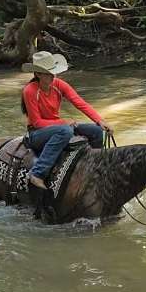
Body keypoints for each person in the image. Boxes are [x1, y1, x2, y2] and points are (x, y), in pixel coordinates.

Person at [21, 51, 113, 190]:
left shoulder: (59, 85)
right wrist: (63, 123)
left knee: (96, 131)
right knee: (65, 130)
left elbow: (80, 103)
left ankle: (94, 167)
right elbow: (37, 123)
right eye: (48, 73)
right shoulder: (30, 90)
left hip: (60, 128)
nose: (53, 76)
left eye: (53, 72)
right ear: (38, 74)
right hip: (37, 133)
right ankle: (37, 173)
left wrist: (100, 121)